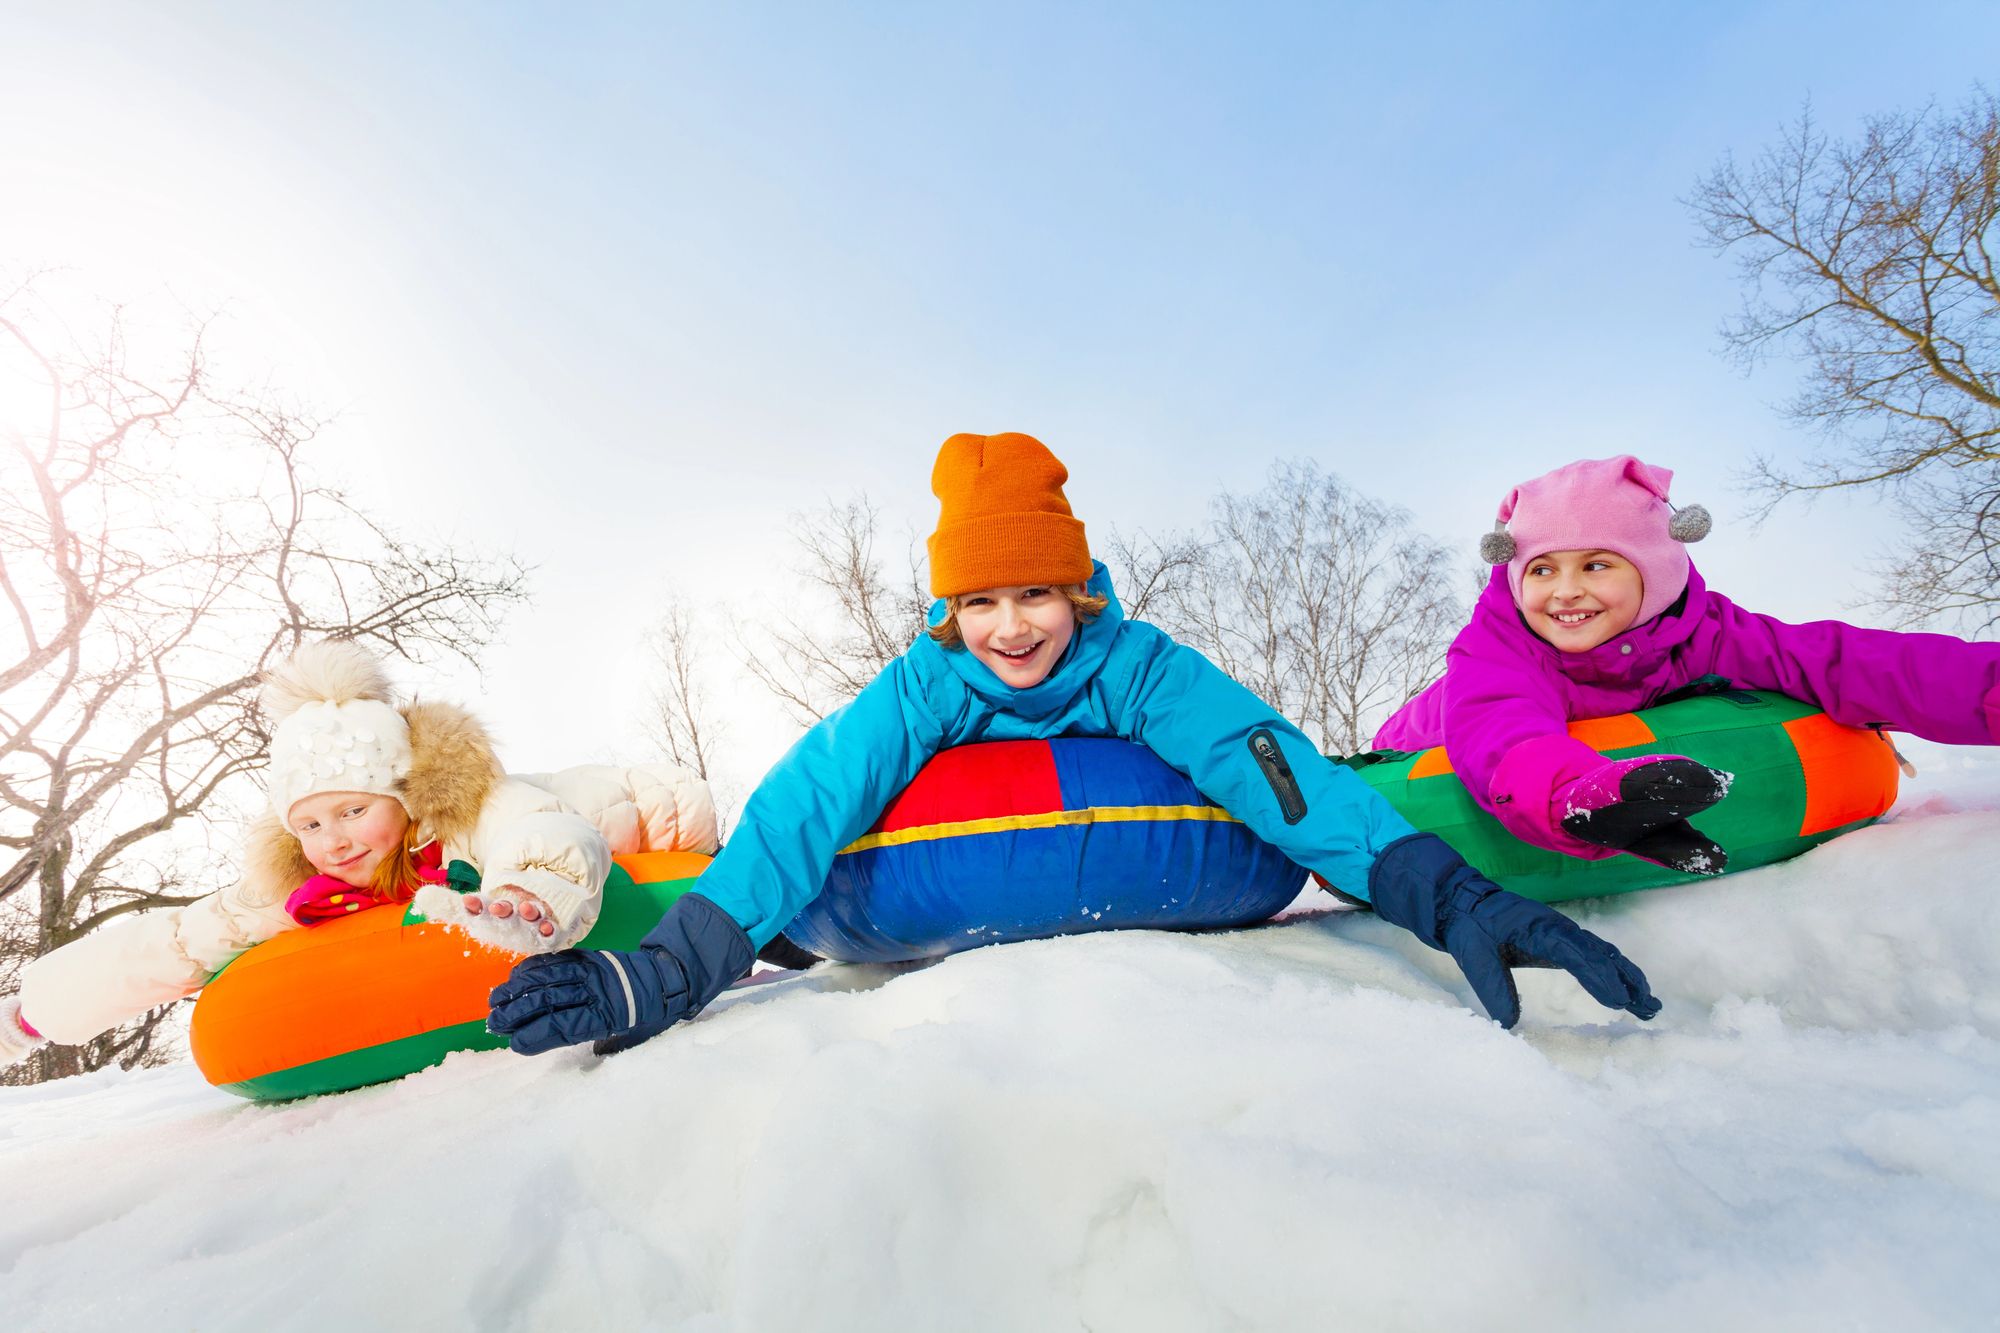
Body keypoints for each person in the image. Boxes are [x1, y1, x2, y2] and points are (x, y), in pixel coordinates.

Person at [487, 433, 1662, 1056]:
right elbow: (810, 799)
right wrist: (666, 972)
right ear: (948, 610)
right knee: (817, 827)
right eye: (981, 601)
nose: (1011, 629)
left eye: (1038, 594)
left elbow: (1270, 770)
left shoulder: (1137, 666)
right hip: (869, 887)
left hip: (1206, 832)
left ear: (1081, 590)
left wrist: (1447, 896)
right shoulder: (921, 686)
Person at [0, 639, 718, 1069]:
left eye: (352, 810)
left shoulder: (470, 810)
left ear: (404, 802)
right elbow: (180, 938)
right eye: (309, 823)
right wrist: (29, 1016)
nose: (333, 841)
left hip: (645, 812)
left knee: (653, 821)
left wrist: (528, 896)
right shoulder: (304, 874)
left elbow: (551, 832)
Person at [1373, 454, 2000, 873]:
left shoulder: (1705, 630)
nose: (1563, 592)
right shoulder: (1499, 643)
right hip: (1416, 742)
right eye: (1541, 569)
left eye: (1596, 565)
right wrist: (1578, 797)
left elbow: (1843, 662)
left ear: (1657, 569)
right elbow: (1498, 723)